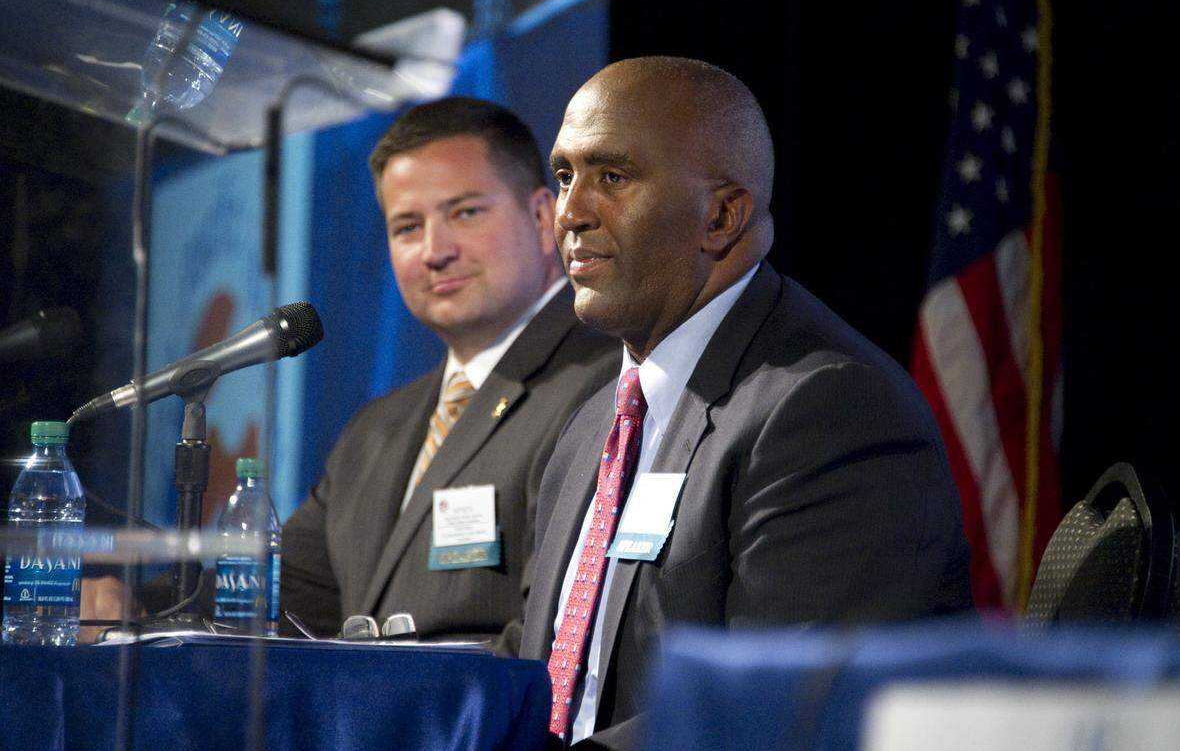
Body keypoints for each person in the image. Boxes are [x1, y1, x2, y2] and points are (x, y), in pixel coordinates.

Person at [519, 57, 972, 748]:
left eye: (612, 177)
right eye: (563, 175)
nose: (571, 213)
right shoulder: (592, 426)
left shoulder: (828, 410)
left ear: (722, 215)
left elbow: (778, 712)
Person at [280, 97, 620, 652]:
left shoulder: (606, 383)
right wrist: (143, 599)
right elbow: (274, 597)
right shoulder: (374, 431)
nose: (435, 251)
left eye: (465, 213)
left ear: (543, 219)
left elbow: (557, 640)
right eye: (407, 227)